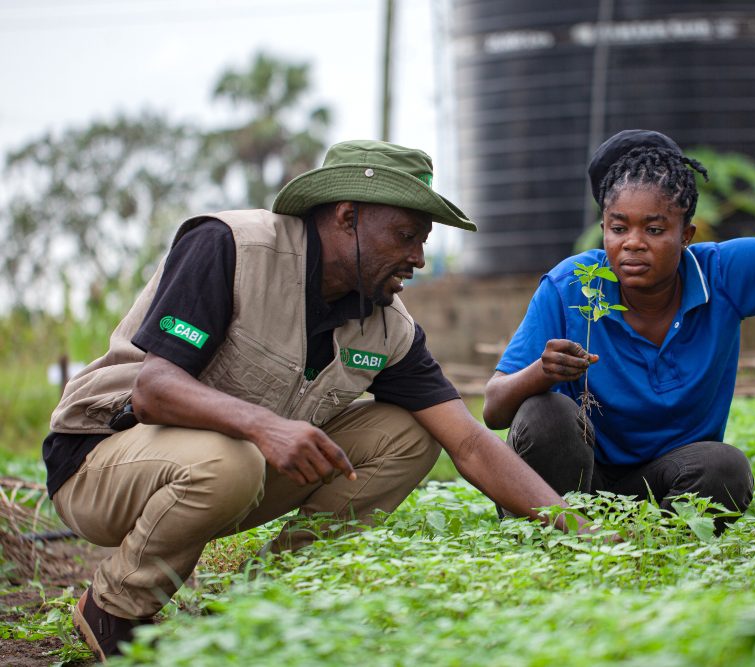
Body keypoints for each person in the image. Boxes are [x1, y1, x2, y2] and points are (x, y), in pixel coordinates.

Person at [43, 140, 574, 662]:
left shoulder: (386, 325)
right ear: (347, 217)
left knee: (411, 435)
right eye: (406, 236)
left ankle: (256, 603)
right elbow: (155, 390)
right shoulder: (232, 247)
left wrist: (581, 530)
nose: (417, 258)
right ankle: (114, 609)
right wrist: (264, 427)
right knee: (232, 460)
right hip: (100, 462)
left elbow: (471, 443)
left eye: (423, 241)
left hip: (226, 474)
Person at [483, 129, 755, 532]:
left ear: (686, 235)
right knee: (545, 413)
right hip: (571, 487)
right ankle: (570, 536)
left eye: (654, 230)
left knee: (724, 467)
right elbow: (494, 409)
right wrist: (541, 373)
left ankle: (647, 546)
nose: (633, 244)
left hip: (666, 483)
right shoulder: (572, 284)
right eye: (618, 229)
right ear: (603, 229)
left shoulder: (722, 274)